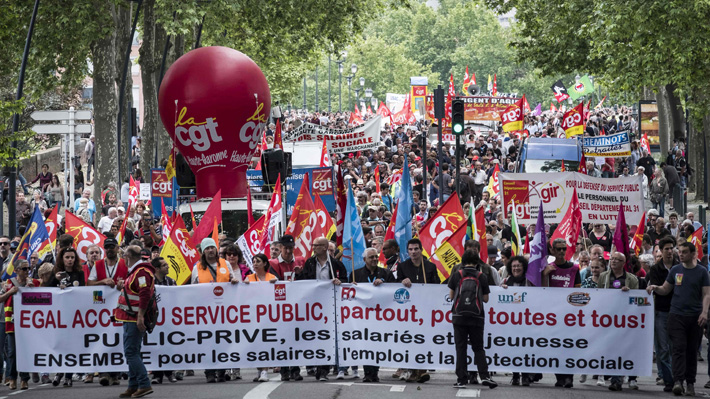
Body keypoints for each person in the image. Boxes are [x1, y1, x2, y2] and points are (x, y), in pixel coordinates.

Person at [647, 242, 710, 396]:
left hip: (695, 317)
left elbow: (707, 294)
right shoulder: (676, 270)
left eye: (684, 252)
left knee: (691, 351)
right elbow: (665, 289)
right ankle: (678, 381)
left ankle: (690, 383)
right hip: (676, 316)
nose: (680, 254)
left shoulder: (702, 272)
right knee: (678, 348)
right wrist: (655, 288)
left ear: (693, 254)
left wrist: (704, 313)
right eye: (679, 251)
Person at [296, 236, 348, 381]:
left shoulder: (336, 265)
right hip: (313, 306)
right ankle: (315, 365)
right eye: (313, 245)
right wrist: (299, 274)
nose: (313, 247)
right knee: (315, 336)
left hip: (331, 306)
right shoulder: (310, 263)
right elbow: (303, 282)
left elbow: (345, 280)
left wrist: (340, 282)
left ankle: (324, 370)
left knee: (327, 337)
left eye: (317, 245)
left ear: (325, 247)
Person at [192, 238, 241, 383]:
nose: (210, 250)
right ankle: (210, 372)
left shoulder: (225, 264)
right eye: (207, 248)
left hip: (224, 310)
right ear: (203, 251)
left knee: (223, 341)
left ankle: (221, 371)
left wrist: (233, 281)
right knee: (208, 342)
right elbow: (192, 289)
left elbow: (232, 279)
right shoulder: (198, 267)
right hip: (206, 312)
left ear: (216, 249)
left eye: (212, 247)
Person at [449, 249, 497, 390]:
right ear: (477, 262)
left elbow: (451, 297)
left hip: (459, 317)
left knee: (460, 348)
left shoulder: (457, 274)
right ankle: (484, 376)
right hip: (477, 316)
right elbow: (486, 299)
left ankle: (461, 379)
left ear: (463, 262)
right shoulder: (481, 276)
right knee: (478, 348)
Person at [113, 246, 156, 398]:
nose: (123, 258)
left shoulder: (141, 272)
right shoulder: (136, 271)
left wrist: (140, 317)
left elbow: (144, 295)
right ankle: (133, 385)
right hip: (129, 317)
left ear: (129, 256)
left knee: (131, 353)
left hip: (134, 318)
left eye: (124, 255)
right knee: (133, 352)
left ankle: (144, 384)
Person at [396, 238, 440, 383]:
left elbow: (437, 286)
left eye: (416, 249)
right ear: (407, 251)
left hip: (425, 310)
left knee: (423, 339)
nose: (413, 252)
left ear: (421, 250)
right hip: (408, 312)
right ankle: (411, 369)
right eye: (410, 249)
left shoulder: (430, 267)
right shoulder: (402, 266)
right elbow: (395, 287)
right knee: (409, 339)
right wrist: (402, 282)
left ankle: (421, 370)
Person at [598, 253, 639, 391]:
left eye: (617, 260)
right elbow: (598, 295)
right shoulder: (603, 277)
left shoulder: (631, 279)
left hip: (624, 319)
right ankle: (612, 375)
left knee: (620, 349)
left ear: (624, 263)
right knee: (609, 348)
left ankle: (617, 380)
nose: (613, 261)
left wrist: (629, 293)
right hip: (607, 318)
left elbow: (637, 300)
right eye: (612, 259)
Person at [353, 248, 395, 383]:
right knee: (366, 343)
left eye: (376, 257)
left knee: (377, 343)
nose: (375, 259)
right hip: (363, 315)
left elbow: (394, 289)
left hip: (381, 315)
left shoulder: (385, 273)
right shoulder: (356, 274)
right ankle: (367, 372)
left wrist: (385, 285)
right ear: (364, 259)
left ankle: (375, 372)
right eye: (371, 257)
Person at [543, 238, 580, 388]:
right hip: (553, 314)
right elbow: (543, 292)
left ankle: (569, 377)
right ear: (552, 251)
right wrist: (545, 275)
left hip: (569, 314)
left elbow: (579, 290)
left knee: (568, 346)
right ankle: (559, 377)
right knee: (555, 346)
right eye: (558, 249)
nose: (561, 252)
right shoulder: (548, 268)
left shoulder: (574, 268)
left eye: (564, 249)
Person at [1, 259, 39, 390]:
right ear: (16, 270)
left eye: (28, 268)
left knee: (25, 351)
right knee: (11, 352)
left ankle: (24, 379)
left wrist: (33, 290)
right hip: (12, 323)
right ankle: (12, 378)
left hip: (29, 324)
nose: (27, 271)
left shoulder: (33, 283)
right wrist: (10, 292)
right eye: (24, 269)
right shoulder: (8, 283)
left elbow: (47, 296)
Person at [647, 236, 676, 392]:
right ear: (660, 251)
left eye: (672, 248)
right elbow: (660, 290)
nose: (670, 251)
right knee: (662, 348)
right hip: (662, 312)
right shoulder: (655, 269)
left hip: (678, 312)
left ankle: (677, 377)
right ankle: (668, 379)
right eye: (667, 249)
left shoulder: (679, 267)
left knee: (675, 348)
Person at [500, 256, 533, 386]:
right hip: (511, 322)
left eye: (518, 266)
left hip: (526, 321)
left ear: (523, 267)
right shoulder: (506, 281)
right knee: (513, 349)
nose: (516, 268)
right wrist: (500, 290)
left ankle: (525, 376)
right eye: (513, 266)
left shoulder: (529, 281)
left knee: (525, 348)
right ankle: (515, 375)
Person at [150, 257, 177, 385]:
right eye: (164, 265)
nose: (168, 267)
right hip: (154, 320)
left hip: (168, 319)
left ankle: (169, 372)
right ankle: (157, 375)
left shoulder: (171, 282)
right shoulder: (149, 282)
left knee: (168, 346)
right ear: (156, 269)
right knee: (156, 346)